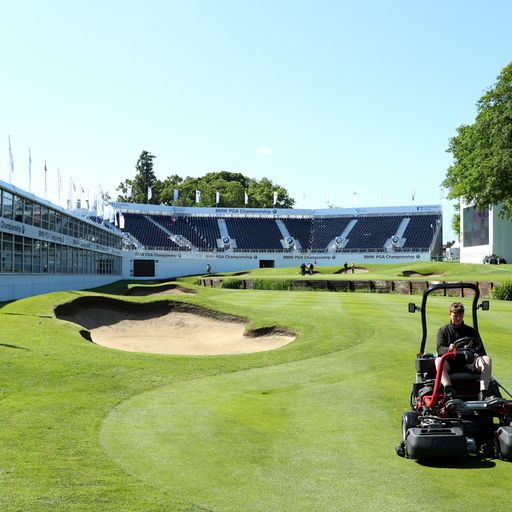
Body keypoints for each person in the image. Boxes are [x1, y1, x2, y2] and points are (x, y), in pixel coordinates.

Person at [435, 302, 492, 400]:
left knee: (486, 359)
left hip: (469, 362)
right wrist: (449, 349)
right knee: (438, 361)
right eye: (455, 316)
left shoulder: (471, 331)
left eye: (460, 316)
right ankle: (449, 390)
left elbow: (481, 351)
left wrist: (477, 353)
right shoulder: (443, 330)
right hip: (451, 363)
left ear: (463, 315)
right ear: (450, 314)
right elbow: (440, 349)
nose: (458, 318)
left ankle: (484, 392)